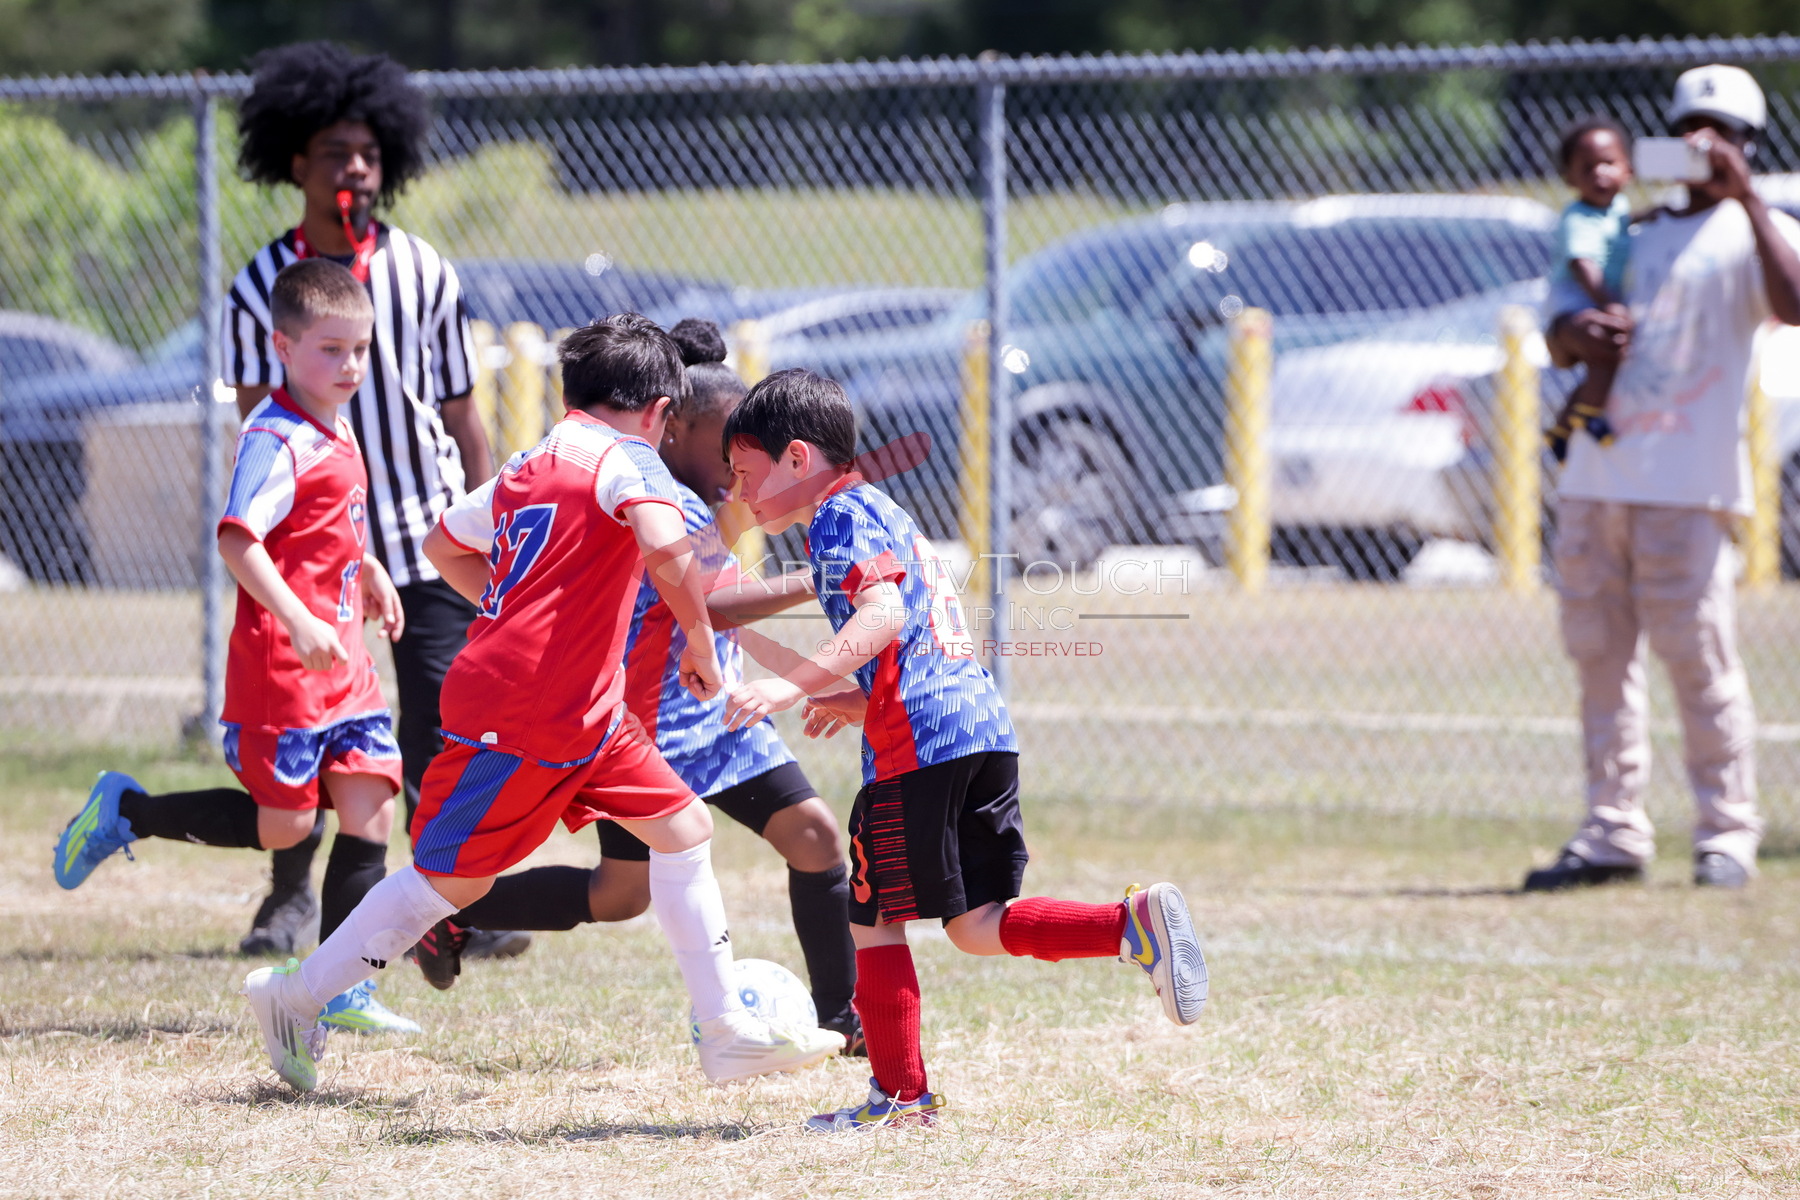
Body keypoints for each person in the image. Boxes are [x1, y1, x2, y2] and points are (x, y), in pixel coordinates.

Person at [239, 314, 845, 1093]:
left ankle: (725, 1032)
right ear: (660, 412)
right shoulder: (630, 457)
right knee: (446, 885)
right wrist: (699, 642)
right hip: (527, 709)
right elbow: (663, 541)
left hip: (588, 709)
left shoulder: (534, 460)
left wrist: (511, 608)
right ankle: (294, 997)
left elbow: (442, 544)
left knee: (684, 829)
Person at [716, 367, 1208, 1131]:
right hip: (978, 729)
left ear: (798, 458)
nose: (740, 492)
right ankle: (1127, 926)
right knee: (977, 924)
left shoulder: (836, 518)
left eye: (746, 473)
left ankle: (900, 1099)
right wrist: (851, 698)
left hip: (920, 746)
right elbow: (914, 638)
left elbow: (883, 614)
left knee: (872, 918)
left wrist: (788, 686)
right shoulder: (882, 511)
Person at [409, 319, 863, 1051]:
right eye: (725, 441)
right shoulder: (648, 495)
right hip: (647, 730)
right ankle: (454, 915)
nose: (736, 458)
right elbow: (712, 605)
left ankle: (841, 1019)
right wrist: (815, 580)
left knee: (814, 837)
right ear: (672, 427)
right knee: (621, 895)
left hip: (721, 724)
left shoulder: (704, 501)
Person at [55, 260, 419, 1033]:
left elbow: (326, 531)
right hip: (285, 668)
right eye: (331, 349)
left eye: (360, 349)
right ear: (283, 348)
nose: (350, 366)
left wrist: (367, 571)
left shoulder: (338, 423)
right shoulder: (274, 436)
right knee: (286, 826)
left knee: (371, 807)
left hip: (344, 667)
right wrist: (298, 619)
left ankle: (340, 985)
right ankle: (127, 811)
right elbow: (238, 539)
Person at [221, 41, 526, 965]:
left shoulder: (424, 268)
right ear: (295, 163)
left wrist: (488, 521)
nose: (354, 168)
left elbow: (461, 409)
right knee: (310, 729)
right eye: (334, 152)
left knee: (442, 721)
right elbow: (261, 423)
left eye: (369, 153)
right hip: (317, 548)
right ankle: (289, 898)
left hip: (423, 532)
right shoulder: (260, 286)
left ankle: (445, 903)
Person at [1523, 64, 1800, 893]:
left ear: (1749, 146)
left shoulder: (1758, 232)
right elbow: (1557, 331)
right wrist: (1576, 330)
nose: (1702, 145)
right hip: (1598, 477)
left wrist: (1749, 200)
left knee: (1699, 664)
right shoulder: (1627, 228)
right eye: (1689, 131)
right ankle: (1612, 832)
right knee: (1600, 660)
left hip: (1688, 485)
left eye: (1723, 134)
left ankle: (1726, 833)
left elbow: (1794, 305)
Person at [1543, 116, 1633, 463]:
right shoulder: (1577, 217)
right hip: (1575, 300)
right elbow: (1584, 267)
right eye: (1587, 167)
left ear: (1628, 170)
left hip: (1597, 299)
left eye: (1608, 163)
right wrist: (1610, 304)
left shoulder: (1620, 209)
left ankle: (1564, 428)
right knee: (1603, 349)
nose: (1599, 174)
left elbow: (1626, 224)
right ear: (1570, 178)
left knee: (1604, 362)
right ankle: (1587, 416)